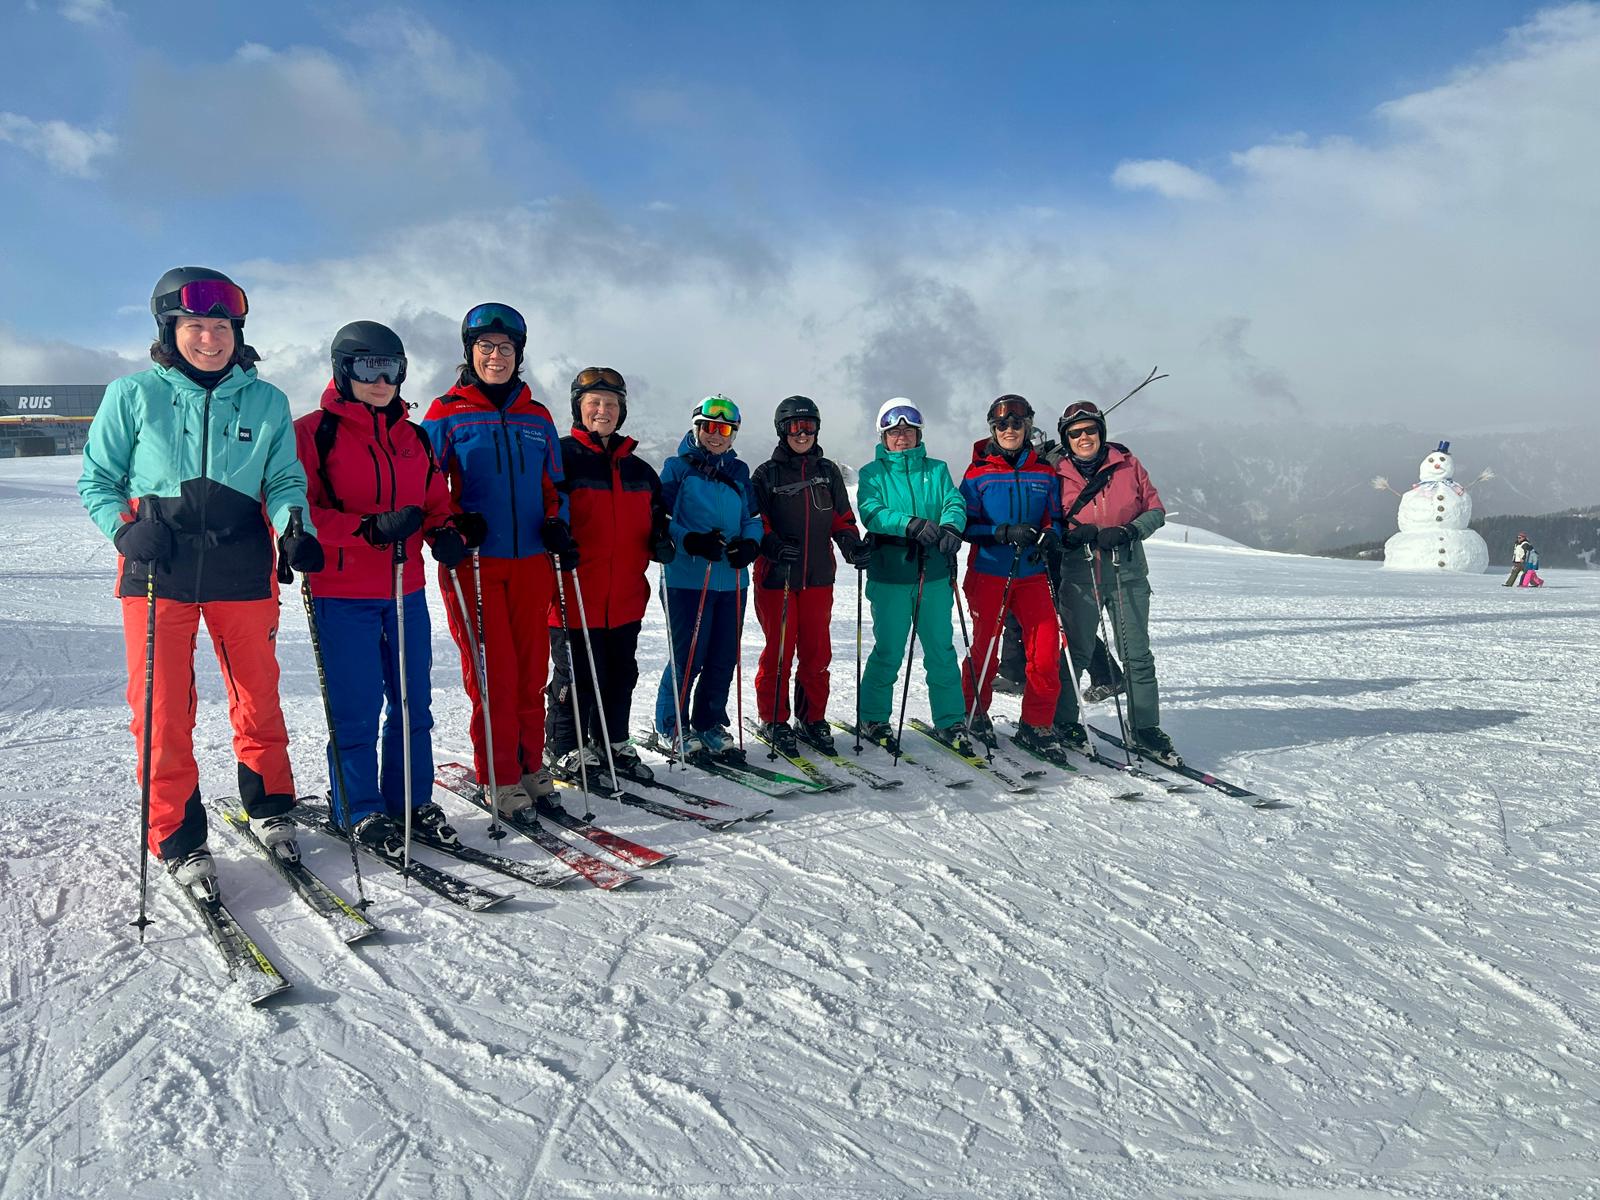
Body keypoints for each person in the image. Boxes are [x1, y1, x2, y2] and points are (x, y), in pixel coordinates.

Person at [78, 266, 323, 897]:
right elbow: (98, 479)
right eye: (195, 326)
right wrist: (122, 532)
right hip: (157, 567)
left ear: (237, 332)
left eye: (221, 327)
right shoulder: (132, 394)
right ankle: (177, 833)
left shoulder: (266, 401)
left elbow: (284, 479)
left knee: (258, 696)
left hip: (241, 564)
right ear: (170, 330)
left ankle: (270, 807)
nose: (210, 338)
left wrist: (293, 527)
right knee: (161, 708)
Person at [295, 321, 474, 857]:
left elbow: (435, 501)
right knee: (356, 706)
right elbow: (295, 510)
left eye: (391, 369)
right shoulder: (314, 433)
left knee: (413, 702)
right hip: (341, 592)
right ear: (342, 370)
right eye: (368, 368)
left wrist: (444, 531)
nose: (381, 381)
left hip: (405, 589)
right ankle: (359, 807)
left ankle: (410, 799)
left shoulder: (414, 437)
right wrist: (365, 529)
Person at [421, 303, 572, 812]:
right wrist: (451, 524)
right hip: (475, 562)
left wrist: (556, 521)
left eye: (506, 348)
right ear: (470, 352)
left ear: (518, 354)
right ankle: (499, 774)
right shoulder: (447, 411)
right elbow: (426, 483)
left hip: (530, 561)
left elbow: (555, 484)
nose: (496, 356)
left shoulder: (537, 416)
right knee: (493, 674)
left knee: (530, 672)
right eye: (485, 346)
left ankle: (530, 765)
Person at [545, 367, 673, 784]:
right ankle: (564, 746)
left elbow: (657, 517)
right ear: (578, 408)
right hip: (574, 593)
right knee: (576, 677)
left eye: (612, 404)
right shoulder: (560, 458)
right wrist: (556, 537)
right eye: (594, 402)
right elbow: (544, 511)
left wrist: (660, 540)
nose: (603, 410)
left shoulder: (639, 470)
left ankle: (610, 740)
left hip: (625, 596)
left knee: (621, 674)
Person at [1050, 400, 1176, 764]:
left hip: (1127, 572)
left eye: (1090, 430)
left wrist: (1129, 531)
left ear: (1101, 432)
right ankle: (1064, 721)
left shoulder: (1127, 464)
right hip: (1081, 574)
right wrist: (1069, 536)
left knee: (1136, 654)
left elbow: (1155, 510)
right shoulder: (1056, 473)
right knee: (1075, 653)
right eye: (1075, 433)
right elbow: (1048, 519)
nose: (1083, 437)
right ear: (1066, 438)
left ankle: (1145, 727)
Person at [750, 395, 870, 756]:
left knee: (817, 653)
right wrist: (771, 545)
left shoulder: (827, 472)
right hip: (778, 578)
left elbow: (841, 518)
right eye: (794, 427)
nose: (802, 434)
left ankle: (812, 717)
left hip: (818, 576)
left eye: (809, 426)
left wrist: (851, 544)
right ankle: (773, 718)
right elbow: (756, 521)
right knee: (779, 652)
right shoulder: (766, 474)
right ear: (781, 430)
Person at [854, 398, 971, 755]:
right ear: (884, 437)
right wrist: (909, 524)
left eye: (908, 430)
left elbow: (954, 502)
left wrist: (951, 526)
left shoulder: (937, 470)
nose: (901, 436)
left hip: (933, 573)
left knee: (941, 650)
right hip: (891, 575)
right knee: (889, 650)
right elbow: (871, 511)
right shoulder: (872, 474)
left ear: (919, 434)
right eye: (894, 431)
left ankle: (951, 720)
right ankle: (873, 717)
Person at [654, 395, 764, 760]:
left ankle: (708, 722)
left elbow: (752, 519)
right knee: (688, 655)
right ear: (697, 428)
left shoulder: (739, 472)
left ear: (733, 435)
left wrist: (750, 544)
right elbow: (661, 520)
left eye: (725, 430)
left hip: (732, 579)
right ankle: (671, 724)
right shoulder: (677, 468)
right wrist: (691, 541)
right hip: (687, 578)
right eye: (710, 427)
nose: (716, 435)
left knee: (723, 655)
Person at [957, 395, 1067, 758]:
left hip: (1032, 573)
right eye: (1001, 424)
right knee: (986, 649)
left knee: (1046, 651)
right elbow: (965, 525)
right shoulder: (977, 474)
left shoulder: (1044, 472)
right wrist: (1001, 533)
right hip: (989, 572)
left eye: (1017, 424)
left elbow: (1054, 518)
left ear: (1028, 427)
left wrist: (1050, 535)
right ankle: (973, 712)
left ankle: (1036, 723)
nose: (1009, 430)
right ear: (993, 429)